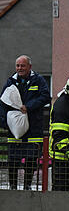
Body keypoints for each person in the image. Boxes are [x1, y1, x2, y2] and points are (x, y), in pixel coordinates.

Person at [0, 55, 51, 190]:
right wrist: (4, 122)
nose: (19, 68)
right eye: (17, 66)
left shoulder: (38, 81)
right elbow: (3, 103)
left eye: (22, 66)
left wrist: (29, 106)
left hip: (33, 128)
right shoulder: (10, 82)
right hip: (14, 130)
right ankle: (12, 187)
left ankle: (27, 186)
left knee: (30, 160)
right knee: (13, 160)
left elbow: (46, 97)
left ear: (30, 67)